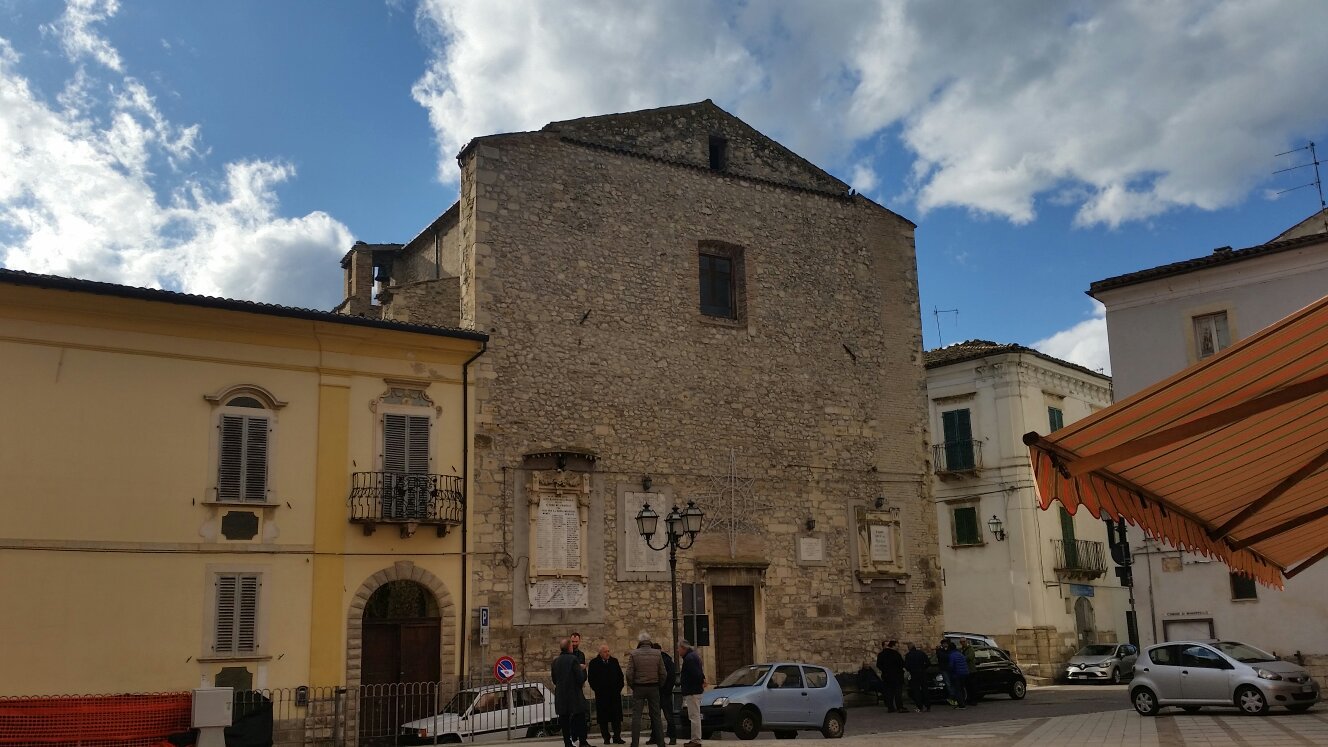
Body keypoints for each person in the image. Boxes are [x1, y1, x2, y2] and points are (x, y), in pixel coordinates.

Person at [625, 631, 666, 747]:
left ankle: (634, 743)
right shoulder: (657, 654)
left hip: (639, 687)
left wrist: (633, 685)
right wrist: (659, 685)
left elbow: (629, 674)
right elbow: (663, 673)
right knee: (656, 716)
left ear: (640, 641)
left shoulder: (634, 654)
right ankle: (661, 743)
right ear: (649, 641)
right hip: (654, 687)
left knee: (636, 716)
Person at [553, 638, 591, 747]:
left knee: (564, 720)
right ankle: (582, 741)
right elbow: (580, 678)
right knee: (580, 717)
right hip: (574, 695)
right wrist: (582, 670)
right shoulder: (573, 659)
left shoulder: (555, 662)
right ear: (569, 647)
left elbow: (554, 679)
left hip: (561, 695)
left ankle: (567, 742)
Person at [589, 644, 626, 745]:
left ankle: (617, 736)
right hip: (602, 696)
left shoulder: (614, 661)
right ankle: (606, 737)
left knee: (616, 718)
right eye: (605, 652)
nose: (607, 653)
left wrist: (618, 688)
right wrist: (598, 690)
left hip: (614, 694)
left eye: (608, 651)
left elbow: (620, 676)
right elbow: (591, 679)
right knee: (603, 718)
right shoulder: (594, 663)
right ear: (600, 653)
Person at [677, 640, 705, 747]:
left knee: (694, 716)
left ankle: (696, 740)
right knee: (694, 716)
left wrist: (700, 682)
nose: (677, 650)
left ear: (683, 648)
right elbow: (699, 674)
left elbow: (696, 675)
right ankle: (695, 739)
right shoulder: (692, 657)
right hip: (694, 690)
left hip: (693, 691)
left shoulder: (689, 659)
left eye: (679, 648)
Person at [652, 643, 678, 745]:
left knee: (668, 716)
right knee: (655, 716)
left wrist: (666, 689)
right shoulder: (663, 660)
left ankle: (672, 737)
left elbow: (671, 677)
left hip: (664, 693)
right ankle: (654, 737)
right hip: (657, 692)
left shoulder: (666, 661)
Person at [572, 632, 592, 739]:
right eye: (573, 641)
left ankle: (582, 737)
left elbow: (584, 672)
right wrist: (578, 667)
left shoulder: (581, 654)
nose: (575, 643)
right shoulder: (568, 654)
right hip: (571, 688)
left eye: (576, 641)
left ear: (579, 641)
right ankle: (574, 736)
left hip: (579, 686)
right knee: (574, 713)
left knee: (582, 711)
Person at [876, 640, 906, 713]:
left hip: (886, 676)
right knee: (897, 692)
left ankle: (890, 707)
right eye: (897, 646)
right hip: (896, 676)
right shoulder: (896, 654)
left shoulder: (881, 654)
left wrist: (885, 670)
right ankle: (899, 707)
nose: (898, 647)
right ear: (893, 646)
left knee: (889, 692)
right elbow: (901, 664)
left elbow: (878, 665)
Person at [903, 643, 931, 712]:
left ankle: (919, 706)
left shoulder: (908, 655)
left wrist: (911, 670)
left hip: (914, 674)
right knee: (925, 689)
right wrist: (923, 668)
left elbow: (906, 666)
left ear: (909, 648)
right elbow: (928, 663)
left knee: (916, 690)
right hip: (922, 673)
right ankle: (927, 705)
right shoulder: (921, 653)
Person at [945, 641, 969, 709]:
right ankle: (963, 702)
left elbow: (951, 665)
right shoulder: (960, 654)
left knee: (957, 689)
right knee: (962, 688)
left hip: (957, 674)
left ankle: (961, 705)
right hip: (964, 673)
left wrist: (949, 671)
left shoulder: (952, 655)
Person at [958, 639, 978, 705]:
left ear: (966, 642)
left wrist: (962, 658)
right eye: (961, 642)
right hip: (965, 671)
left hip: (971, 670)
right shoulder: (961, 649)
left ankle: (974, 700)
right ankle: (969, 699)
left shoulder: (970, 649)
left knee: (973, 686)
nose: (962, 643)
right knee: (967, 686)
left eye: (964, 641)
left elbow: (970, 657)